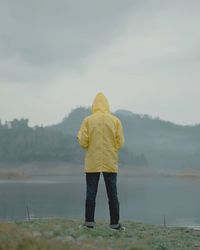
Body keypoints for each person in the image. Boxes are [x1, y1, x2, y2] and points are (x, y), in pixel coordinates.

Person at [77, 92, 125, 230]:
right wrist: (112, 148)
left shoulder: (88, 120)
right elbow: (120, 142)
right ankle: (115, 224)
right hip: (110, 162)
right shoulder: (115, 121)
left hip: (92, 162)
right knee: (113, 194)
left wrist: (85, 143)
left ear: (94, 105)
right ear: (107, 105)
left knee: (91, 193)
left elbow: (83, 142)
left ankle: (89, 223)